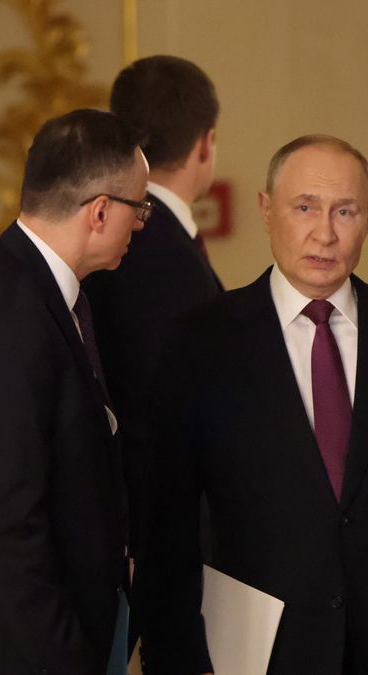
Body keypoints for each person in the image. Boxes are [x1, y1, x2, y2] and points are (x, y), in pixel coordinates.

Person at [137, 134, 368, 675]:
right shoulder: (202, 343)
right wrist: (175, 657)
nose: (324, 233)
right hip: (260, 654)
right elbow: (167, 522)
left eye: (344, 211)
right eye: (305, 207)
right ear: (266, 210)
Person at [0, 109, 149, 674]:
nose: (141, 225)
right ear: (101, 211)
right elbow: (4, 521)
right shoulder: (5, 306)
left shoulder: (39, 291)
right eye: (140, 209)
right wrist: (61, 657)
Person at [83, 53, 224, 571]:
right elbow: (159, 417)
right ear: (206, 142)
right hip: (157, 546)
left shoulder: (126, 234)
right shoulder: (159, 250)